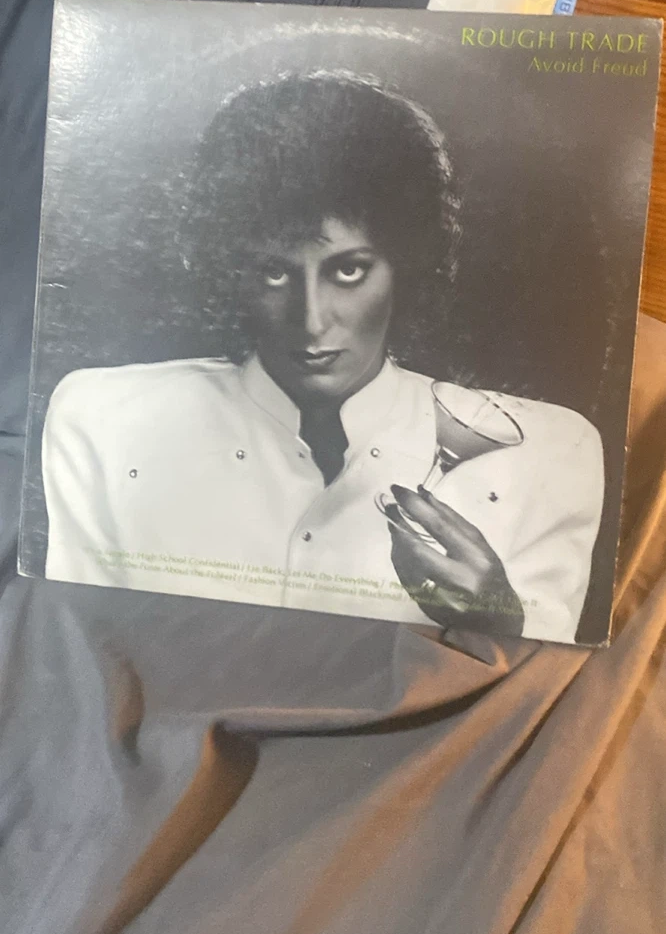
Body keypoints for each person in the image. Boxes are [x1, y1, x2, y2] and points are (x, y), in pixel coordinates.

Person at [42, 72, 604, 642]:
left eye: (348, 270)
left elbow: (547, 685)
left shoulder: (548, 453)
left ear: (407, 266)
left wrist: (503, 625)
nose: (311, 320)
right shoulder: (104, 420)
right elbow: (81, 649)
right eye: (274, 272)